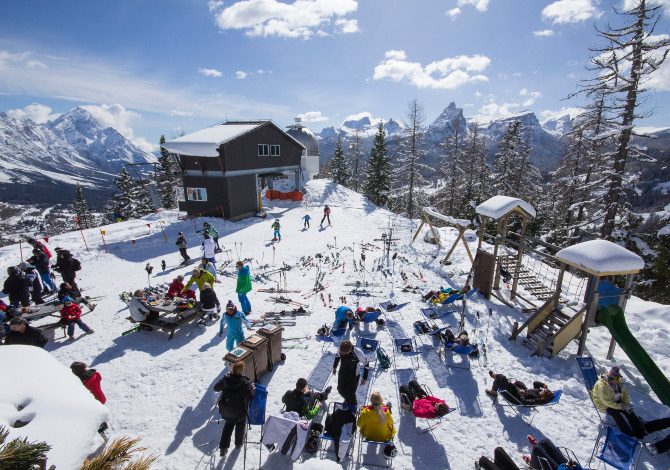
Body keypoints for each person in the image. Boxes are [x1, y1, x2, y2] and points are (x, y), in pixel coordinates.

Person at [592, 366, 670, 450]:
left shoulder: (618, 382)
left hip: (616, 401)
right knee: (619, 416)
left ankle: (640, 432)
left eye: (617, 379)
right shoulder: (602, 385)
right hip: (605, 405)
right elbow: (606, 401)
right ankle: (628, 436)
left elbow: (625, 395)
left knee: (630, 412)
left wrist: (626, 405)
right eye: (614, 379)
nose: (616, 381)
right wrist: (621, 406)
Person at [214, 361, 255, 457]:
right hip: (240, 412)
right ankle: (238, 444)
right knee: (240, 428)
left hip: (226, 410)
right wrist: (252, 389)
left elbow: (216, 388)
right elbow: (251, 397)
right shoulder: (245, 382)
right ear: (241, 371)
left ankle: (223, 448)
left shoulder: (225, 379)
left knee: (227, 428)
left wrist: (223, 382)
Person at [332, 340, 369, 406]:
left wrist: (365, 378)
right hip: (342, 372)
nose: (341, 354)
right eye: (341, 352)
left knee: (351, 393)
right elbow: (337, 356)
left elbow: (366, 364)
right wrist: (334, 367)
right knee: (340, 390)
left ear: (349, 350)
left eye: (343, 353)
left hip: (354, 375)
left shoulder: (358, 353)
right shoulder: (340, 348)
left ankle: (353, 406)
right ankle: (349, 400)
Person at [486, 371, 554, 405]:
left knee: (502, 379)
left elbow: (523, 402)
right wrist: (543, 385)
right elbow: (535, 383)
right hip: (517, 390)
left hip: (514, 396)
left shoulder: (536, 400)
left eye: (544, 391)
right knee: (504, 380)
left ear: (543, 395)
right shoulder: (539, 392)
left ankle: (493, 391)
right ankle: (495, 377)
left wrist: (522, 393)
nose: (543, 389)